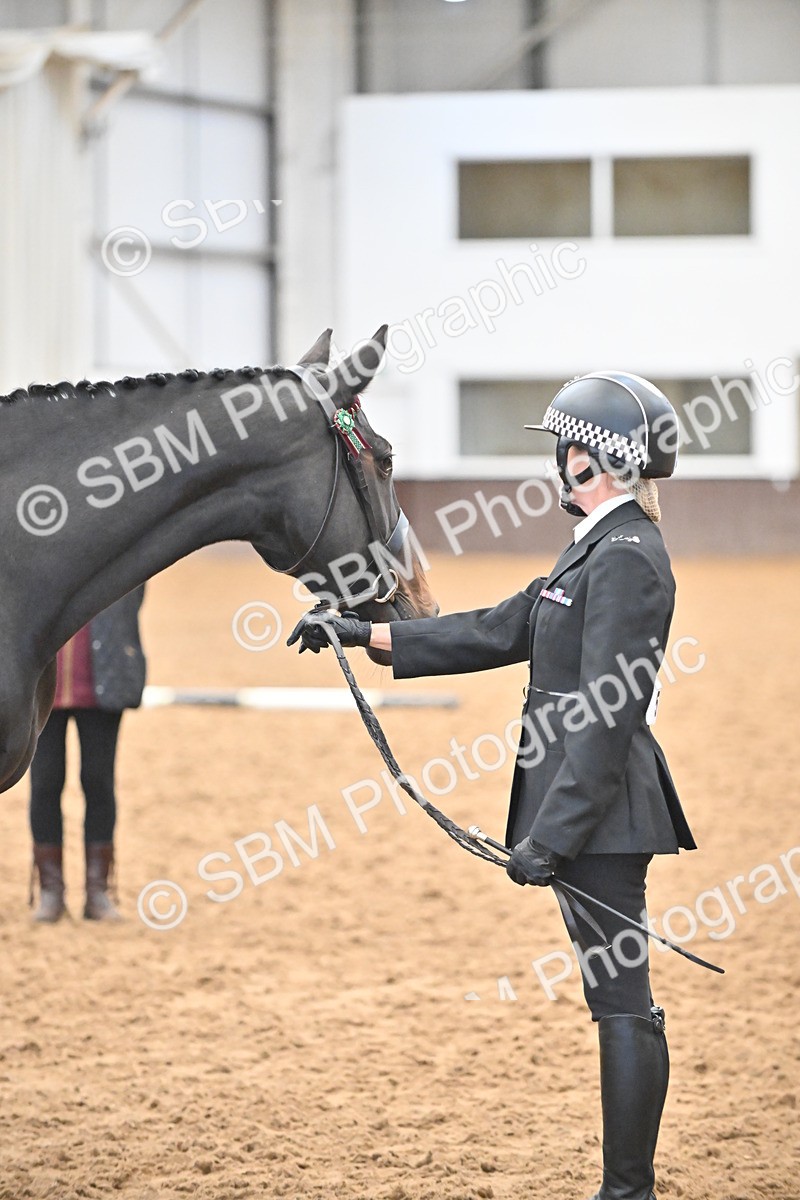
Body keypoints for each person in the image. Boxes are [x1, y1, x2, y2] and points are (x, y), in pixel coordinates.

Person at [289, 373, 697, 1200]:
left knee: (620, 998)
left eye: (565, 447)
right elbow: (503, 625)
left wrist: (553, 834)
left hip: (603, 817)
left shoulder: (628, 559)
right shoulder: (596, 545)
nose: (557, 461)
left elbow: (604, 716)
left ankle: (630, 1191)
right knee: (610, 993)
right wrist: (367, 632)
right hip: (584, 811)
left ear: (593, 459)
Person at [30, 585, 146, 923]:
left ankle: (98, 891)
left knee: (98, 783)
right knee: (45, 784)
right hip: (42, 691)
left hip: (103, 681)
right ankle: (51, 891)